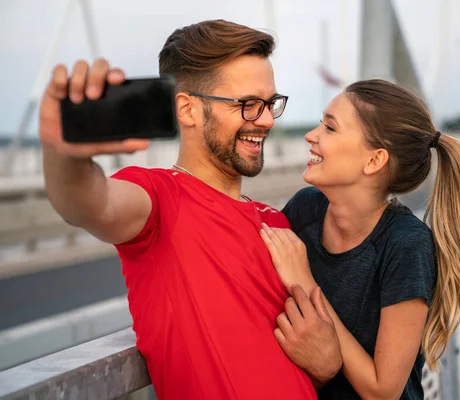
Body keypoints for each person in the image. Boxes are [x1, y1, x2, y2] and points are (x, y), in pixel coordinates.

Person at [39, 19, 341, 400]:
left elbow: (284, 363)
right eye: (248, 104)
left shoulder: (277, 222)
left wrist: (326, 367)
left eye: (270, 104)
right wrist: (62, 155)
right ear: (187, 109)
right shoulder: (160, 199)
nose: (265, 120)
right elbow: (89, 204)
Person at [260, 79, 460, 400]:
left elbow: (382, 390)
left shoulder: (406, 245)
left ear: (374, 160)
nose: (311, 135)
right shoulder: (306, 208)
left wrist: (305, 281)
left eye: (330, 128)